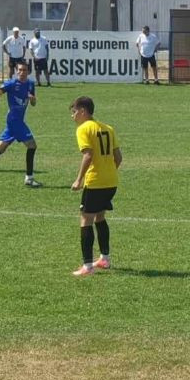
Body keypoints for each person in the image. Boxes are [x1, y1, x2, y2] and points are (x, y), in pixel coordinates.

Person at [69, 96, 121, 277]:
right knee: (100, 217)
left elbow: (88, 155)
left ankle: (87, 266)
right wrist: (108, 171)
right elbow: (118, 157)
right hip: (111, 181)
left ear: (83, 111)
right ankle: (104, 259)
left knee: (86, 220)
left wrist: (79, 179)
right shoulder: (108, 128)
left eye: (74, 112)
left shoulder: (83, 129)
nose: (73, 116)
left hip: (95, 182)